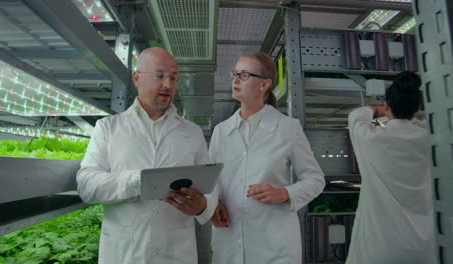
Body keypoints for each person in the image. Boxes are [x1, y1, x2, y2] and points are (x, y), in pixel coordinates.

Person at [76, 47, 217, 264]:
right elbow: (87, 186)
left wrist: (203, 206)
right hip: (124, 255)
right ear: (137, 78)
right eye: (160, 76)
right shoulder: (108, 128)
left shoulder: (191, 132)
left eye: (173, 77)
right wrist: (140, 180)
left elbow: (210, 185)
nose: (168, 85)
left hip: (177, 254)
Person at [208, 52, 325, 264]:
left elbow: (315, 179)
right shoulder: (221, 131)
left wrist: (284, 193)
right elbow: (210, 181)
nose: (235, 79)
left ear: (264, 84)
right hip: (228, 240)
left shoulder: (288, 128)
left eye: (244, 75)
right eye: (235, 73)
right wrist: (212, 204)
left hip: (274, 246)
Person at [346, 71, 437, 264]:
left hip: (378, 248)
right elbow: (421, 124)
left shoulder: (370, 137)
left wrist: (376, 109)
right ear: (418, 107)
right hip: (425, 248)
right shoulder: (430, 138)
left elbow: (356, 114)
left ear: (387, 105)